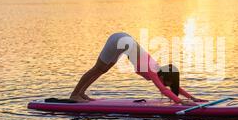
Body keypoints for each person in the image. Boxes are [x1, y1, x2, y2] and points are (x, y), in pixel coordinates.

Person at [70, 32, 205, 104]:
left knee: (103, 69)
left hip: (124, 41)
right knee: (98, 68)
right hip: (119, 40)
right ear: (164, 77)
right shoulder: (152, 70)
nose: (166, 85)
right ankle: (75, 94)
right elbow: (163, 89)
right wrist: (181, 102)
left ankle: (81, 93)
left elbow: (174, 86)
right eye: (167, 82)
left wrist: (192, 97)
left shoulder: (159, 70)